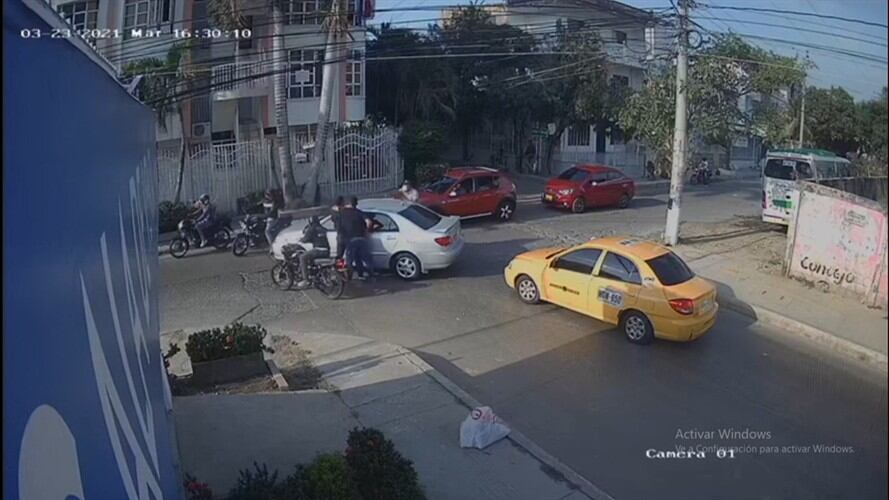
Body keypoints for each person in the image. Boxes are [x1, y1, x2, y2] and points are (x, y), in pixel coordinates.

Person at [337, 196, 373, 279]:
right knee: (360, 257)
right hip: (361, 238)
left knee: (349, 260)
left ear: (347, 203)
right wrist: (366, 231)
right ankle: (364, 274)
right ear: (355, 204)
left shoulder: (341, 213)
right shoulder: (359, 212)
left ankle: (348, 277)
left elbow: (338, 226)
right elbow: (369, 222)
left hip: (349, 240)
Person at [295, 216, 331, 289]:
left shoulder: (312, 229)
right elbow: (318, 238)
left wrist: (300, 240)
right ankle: (313, 273)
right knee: (310, 256)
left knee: (302, 257)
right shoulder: (322, 229)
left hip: (318, 250)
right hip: (327, 251)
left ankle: (306, 280)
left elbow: (305, 239)